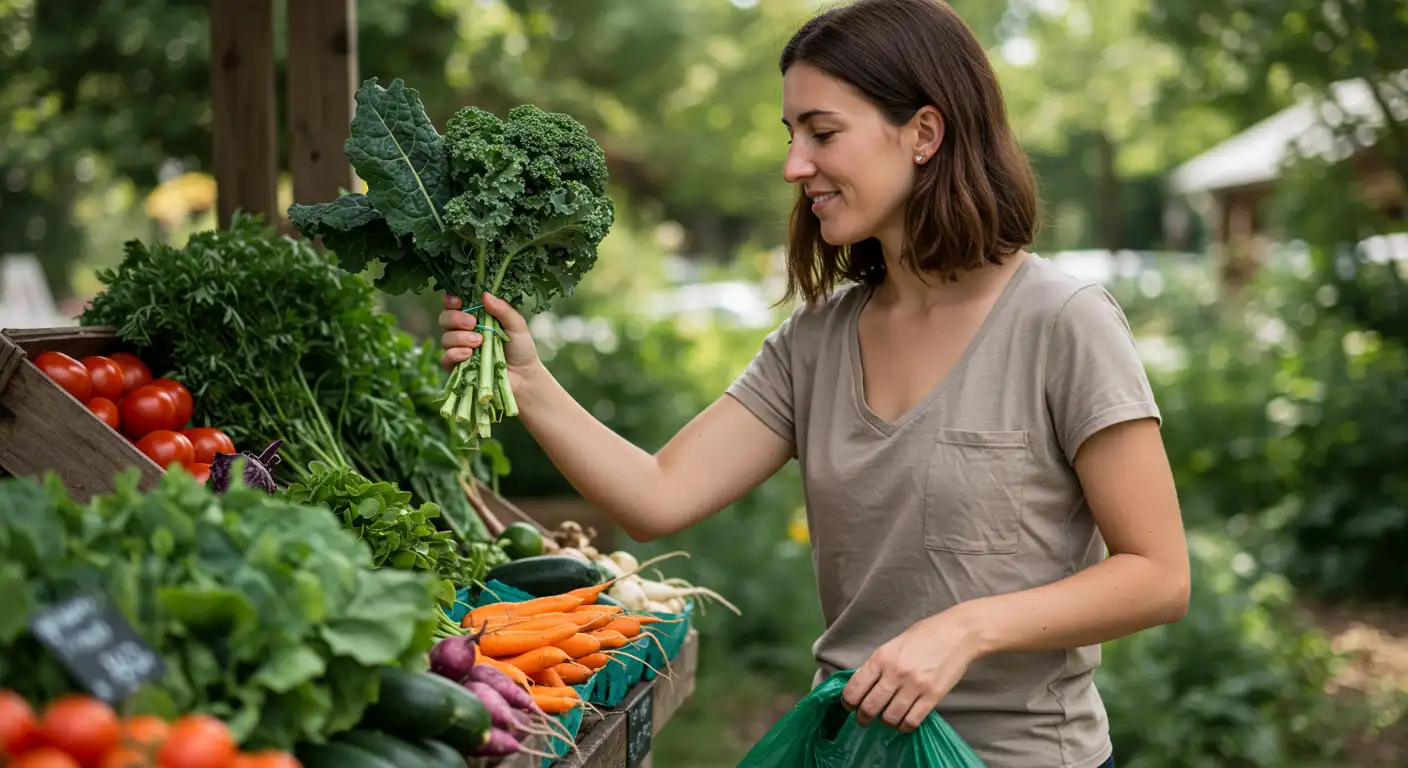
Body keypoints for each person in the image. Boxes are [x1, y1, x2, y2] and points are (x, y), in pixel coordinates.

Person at [439, 0, 1189, 765]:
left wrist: (966, 628)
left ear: (924, 134)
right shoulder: (817, 341)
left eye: (823, 133)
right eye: (792, 136)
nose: (796, 166)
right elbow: (657, 495)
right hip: (847, 748)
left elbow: (1158, 574)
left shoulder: (1061, 321)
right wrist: (527, 381)